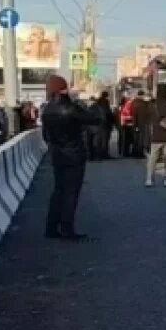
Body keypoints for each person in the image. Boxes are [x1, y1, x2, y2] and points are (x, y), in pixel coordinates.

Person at [40, 74, 99, 240]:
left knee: (58, 190)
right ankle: (67, 228)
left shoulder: (47, 110)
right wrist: (78, 104)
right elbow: (94, 119)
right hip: (74, 154)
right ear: (64, 89)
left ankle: (51, 228)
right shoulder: (71, 108)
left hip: (57, 154)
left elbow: (45, 135)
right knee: (71, 192)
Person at [89, 93, 114, 159]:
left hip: (97, 126)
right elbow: (107, 113)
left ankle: (97, 154)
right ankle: (103, 154)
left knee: (98, 140)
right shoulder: (104, 104)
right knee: (103, 140)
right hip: (103, 125)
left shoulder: (95, 106)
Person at [133, 90, 153, 157]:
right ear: (142, 95)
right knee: (141, 139)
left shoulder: (134, 102)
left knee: (137, 138)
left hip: (137, 123)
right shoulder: (142, 103)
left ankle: (136, 152)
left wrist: (135, 124)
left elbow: (134, 115)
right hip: (143, 123)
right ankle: (140, 153)